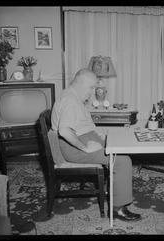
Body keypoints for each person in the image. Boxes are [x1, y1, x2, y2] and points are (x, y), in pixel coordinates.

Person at [51, 68, 141, 221]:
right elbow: (64, 130)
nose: (93, 92)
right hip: (74, 146)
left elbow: (83, 123)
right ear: (81, 83)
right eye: (91, 87)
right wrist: (85, 147)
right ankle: (118, 208)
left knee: (119, 144)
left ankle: (116, 189)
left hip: (83, 138)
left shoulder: (74, 96)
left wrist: (98, 134)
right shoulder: (70, 100)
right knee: (122, 160)